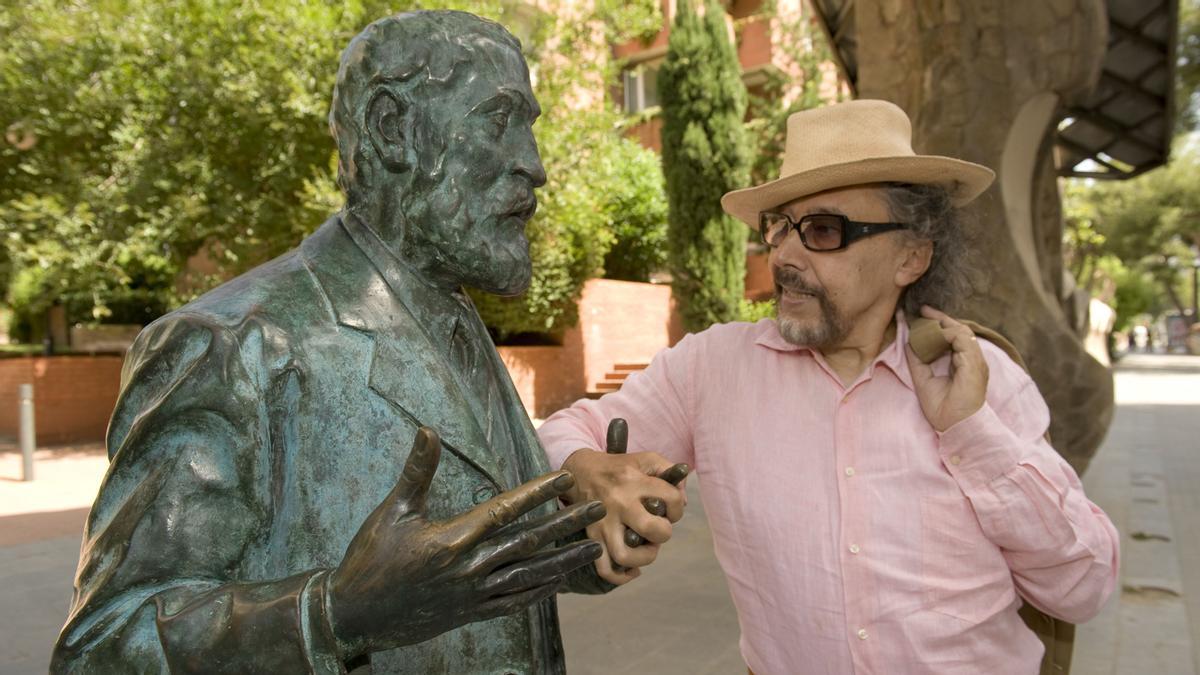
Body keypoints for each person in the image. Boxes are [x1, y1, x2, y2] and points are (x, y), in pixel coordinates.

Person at [53, 11, 610, 674]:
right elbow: (102, 648)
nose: (534, 165)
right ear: (391, 129)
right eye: (499, 119)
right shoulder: (231, 344)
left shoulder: (456, 321)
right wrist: (336, 613)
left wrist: (590, 532)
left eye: (529, 127)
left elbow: (471, 567)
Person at [538, 100, 1119, 674]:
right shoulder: (712, 369)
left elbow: (1083, 589)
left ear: (910, 257)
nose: (784, 255)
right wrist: (590, 472)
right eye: (779, 227)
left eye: (822, 230)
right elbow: (564, 430)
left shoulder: (980, 377)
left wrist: (974, 436)